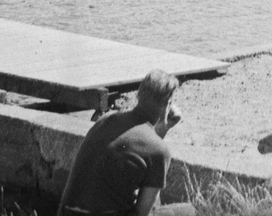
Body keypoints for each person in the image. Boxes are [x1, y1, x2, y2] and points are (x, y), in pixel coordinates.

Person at [58, 70, 195, 216]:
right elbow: (143, 212)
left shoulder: (106, 119)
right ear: (168, 103)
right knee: (189, 211)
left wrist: (163, 128)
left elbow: (144, 146)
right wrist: (163, 128)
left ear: (138, 95)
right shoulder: (159, 150)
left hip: (68, 213)